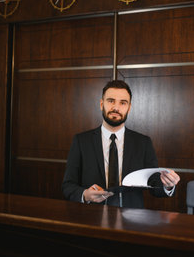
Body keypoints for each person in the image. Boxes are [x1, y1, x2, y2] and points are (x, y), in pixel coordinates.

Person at [62, 80, 180, 208]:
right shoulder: (81, 141)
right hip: (91, 217)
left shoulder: (143, 143)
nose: (116, 108)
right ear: (102, 104)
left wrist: (167, 185)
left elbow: (154, 185)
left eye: (123, 103)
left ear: (129, 108)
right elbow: (68, 185)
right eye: (111, 101)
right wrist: (85, 194)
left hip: (132, 221)